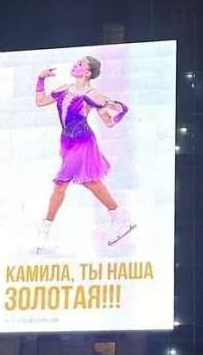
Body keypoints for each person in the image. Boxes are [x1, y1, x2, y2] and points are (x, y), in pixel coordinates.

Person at [35, 56, 135, 248]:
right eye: (76, 62)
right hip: (67, 142)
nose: (75, 65)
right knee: (91, 181)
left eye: (80, 64)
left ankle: (44, 229)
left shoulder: (94, 95)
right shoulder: (63, 89)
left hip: (83, 141)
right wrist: (41, 79)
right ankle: (119, 216)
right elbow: (40, 101)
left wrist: (121, 111)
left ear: (88, 73)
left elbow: (109, 122)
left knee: (61, 183)